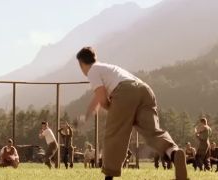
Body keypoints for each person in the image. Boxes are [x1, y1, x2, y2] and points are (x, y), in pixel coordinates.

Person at [76, 47, 187, 180]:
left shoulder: (92, 70)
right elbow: (96, 100)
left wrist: (113, 110)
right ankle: (174, 153)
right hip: (144, 90)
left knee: (115, 134)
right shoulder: (107, 68)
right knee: (152, 132)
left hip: (124, 92)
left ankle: (109, 176)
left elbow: (102, 99)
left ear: (81, 63)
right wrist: (86, 115)